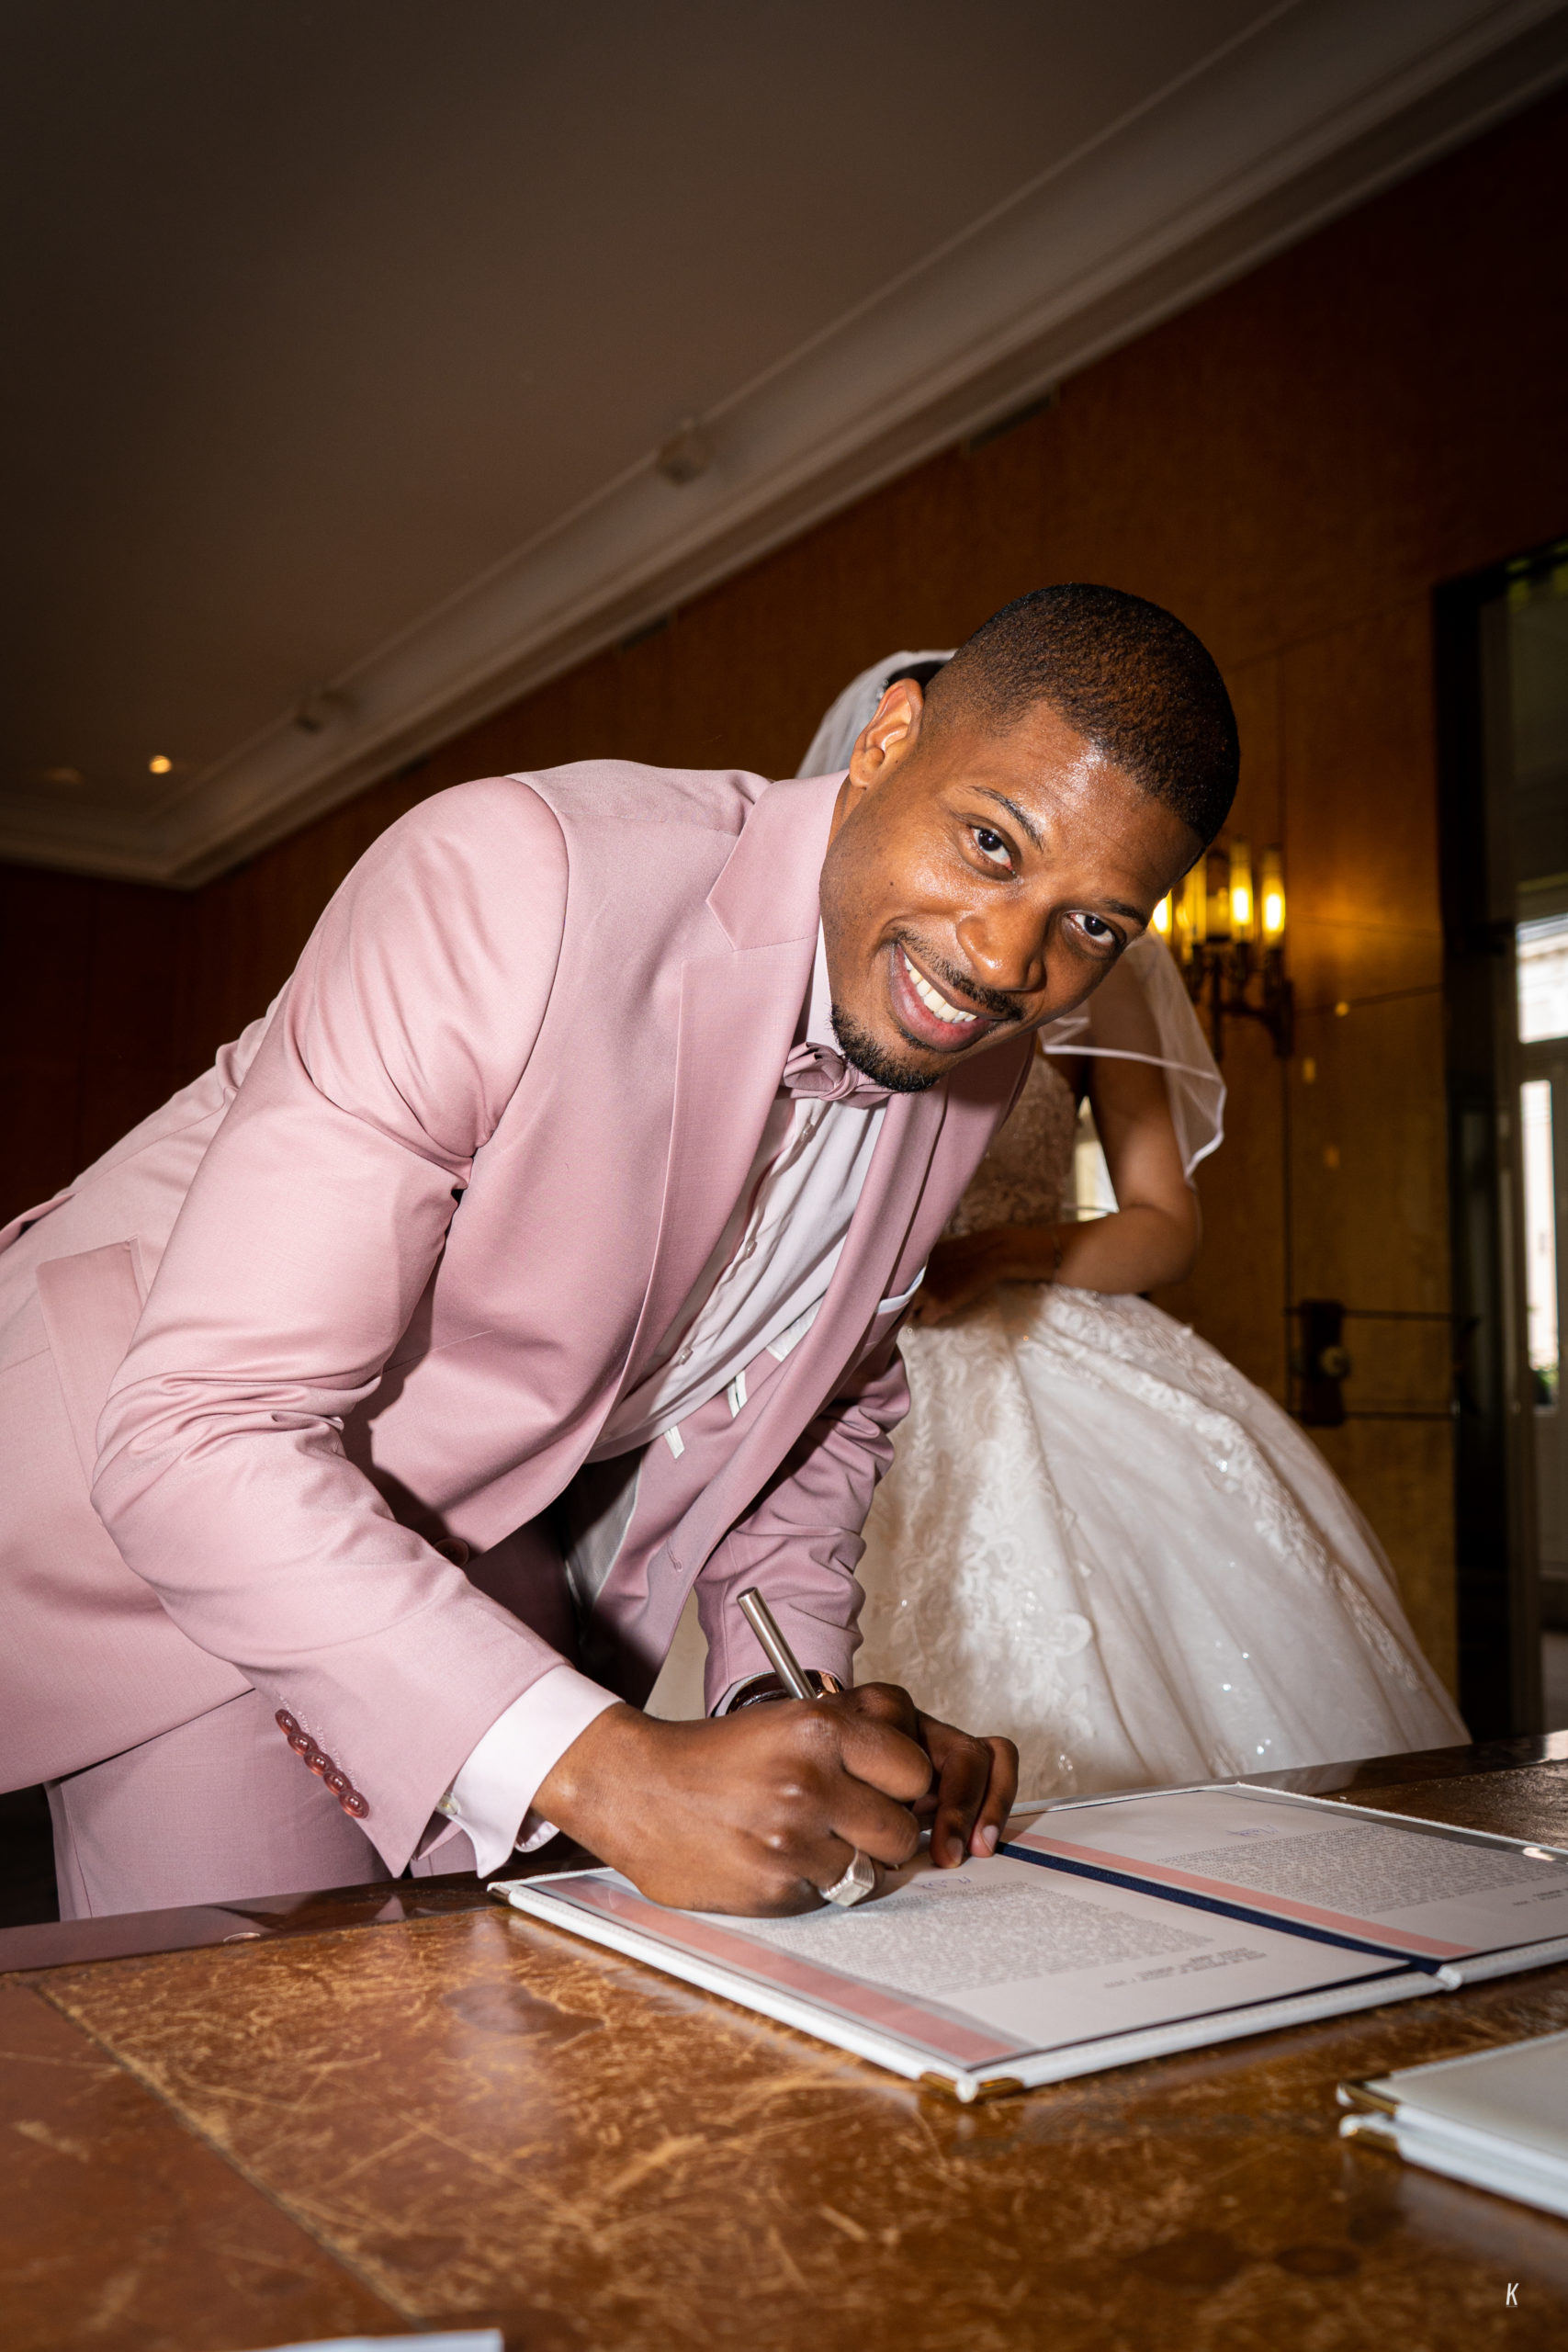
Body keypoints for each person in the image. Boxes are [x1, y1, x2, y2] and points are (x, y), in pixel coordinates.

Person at [0, 585, 1234, 1921]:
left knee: (507, 2022)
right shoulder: (514, 877)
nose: (1005, 960)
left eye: (1092, 924)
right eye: (991, 843)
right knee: (266, 2028)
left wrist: (791, 1711)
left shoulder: (970, 1052)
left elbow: (820, 1393)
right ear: (885, 742)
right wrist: (612, 1772)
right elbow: (199, 1430)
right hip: (164, 1499)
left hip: (473, 1556)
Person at [810, 653, 1465, 1799]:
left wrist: (1004, 1253)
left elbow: (1166, 1221)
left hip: (1039, 1341)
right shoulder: (837, 953)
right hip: (840, 1352)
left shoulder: (1087, 966)